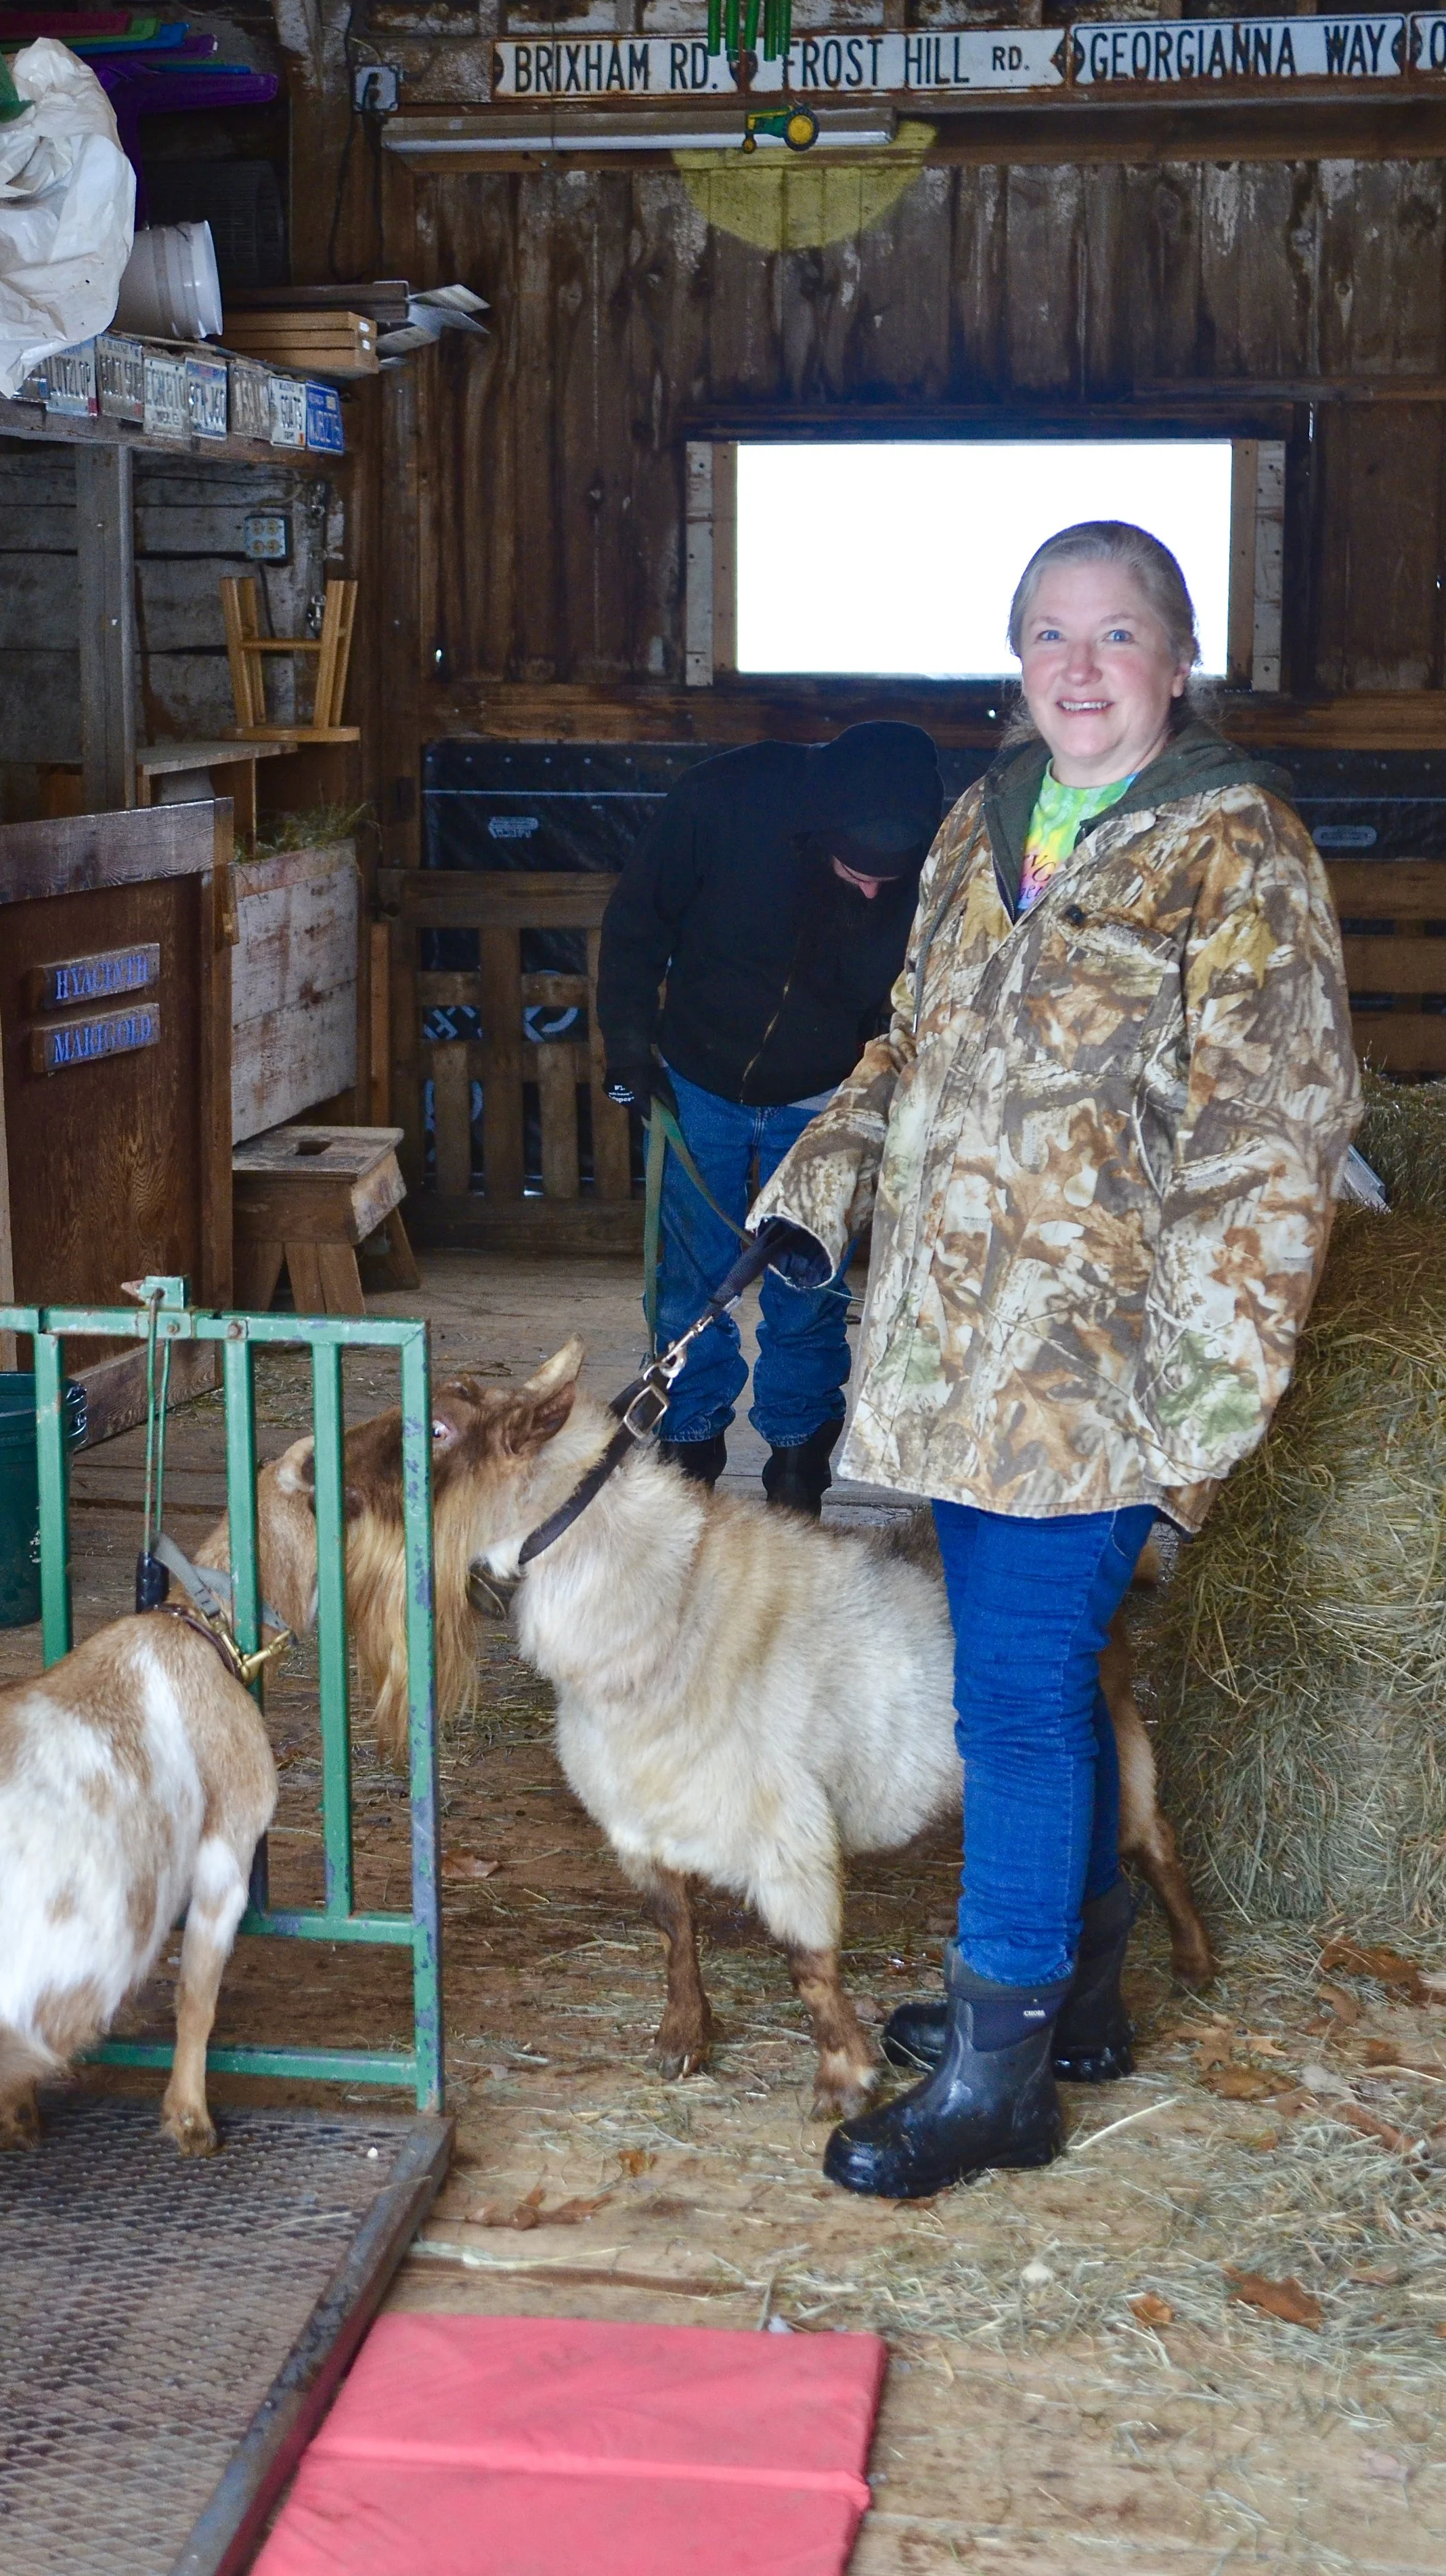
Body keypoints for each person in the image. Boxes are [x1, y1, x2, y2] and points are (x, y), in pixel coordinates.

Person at [748, 522, 1360, 2196]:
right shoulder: (982, 822)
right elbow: (912, 1040)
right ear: (1017, 663)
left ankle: (997, 2069)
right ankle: (1074, 1990)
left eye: (1116, 635)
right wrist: (821, 1176)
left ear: (1178, 661)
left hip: (1100, 1370)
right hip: (960, 1355)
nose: (1077, 667)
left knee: (1011, 1698)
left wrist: (1203, 1411)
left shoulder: (1239, 851)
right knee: (1044, 1686)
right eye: (1047, 636)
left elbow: (1274, 1137)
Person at [596, 722, 943, 1515]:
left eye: (885, 882)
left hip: (825, 1094)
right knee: (690, 1284)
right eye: (854, 871)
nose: (868, 893)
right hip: (699, 1080)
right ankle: (689, 1465)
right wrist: (626, 1046)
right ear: (819, 831)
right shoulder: (721, 800)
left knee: (809, 1287)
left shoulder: (935, 863)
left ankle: (796, 1474)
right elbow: (637, 922)